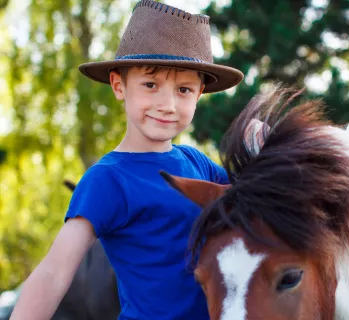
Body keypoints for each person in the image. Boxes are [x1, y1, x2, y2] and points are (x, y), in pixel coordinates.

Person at [10, 1, 262, 319]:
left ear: (199, 95)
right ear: (119, 85)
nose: (167, 104)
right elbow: (54, 272)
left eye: (183, 89)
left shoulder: (197, 162)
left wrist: (262, 145)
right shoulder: (108, 179)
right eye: (150, 85)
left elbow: (256, 195)